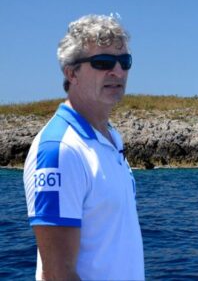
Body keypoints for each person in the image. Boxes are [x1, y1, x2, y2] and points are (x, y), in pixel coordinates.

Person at [23, 14, 144, 280]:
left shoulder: (111, 137)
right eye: (103, 62)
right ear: (71, 73)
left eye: (124, 62)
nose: (118, 71)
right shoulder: (61, 150)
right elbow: (58, 274)